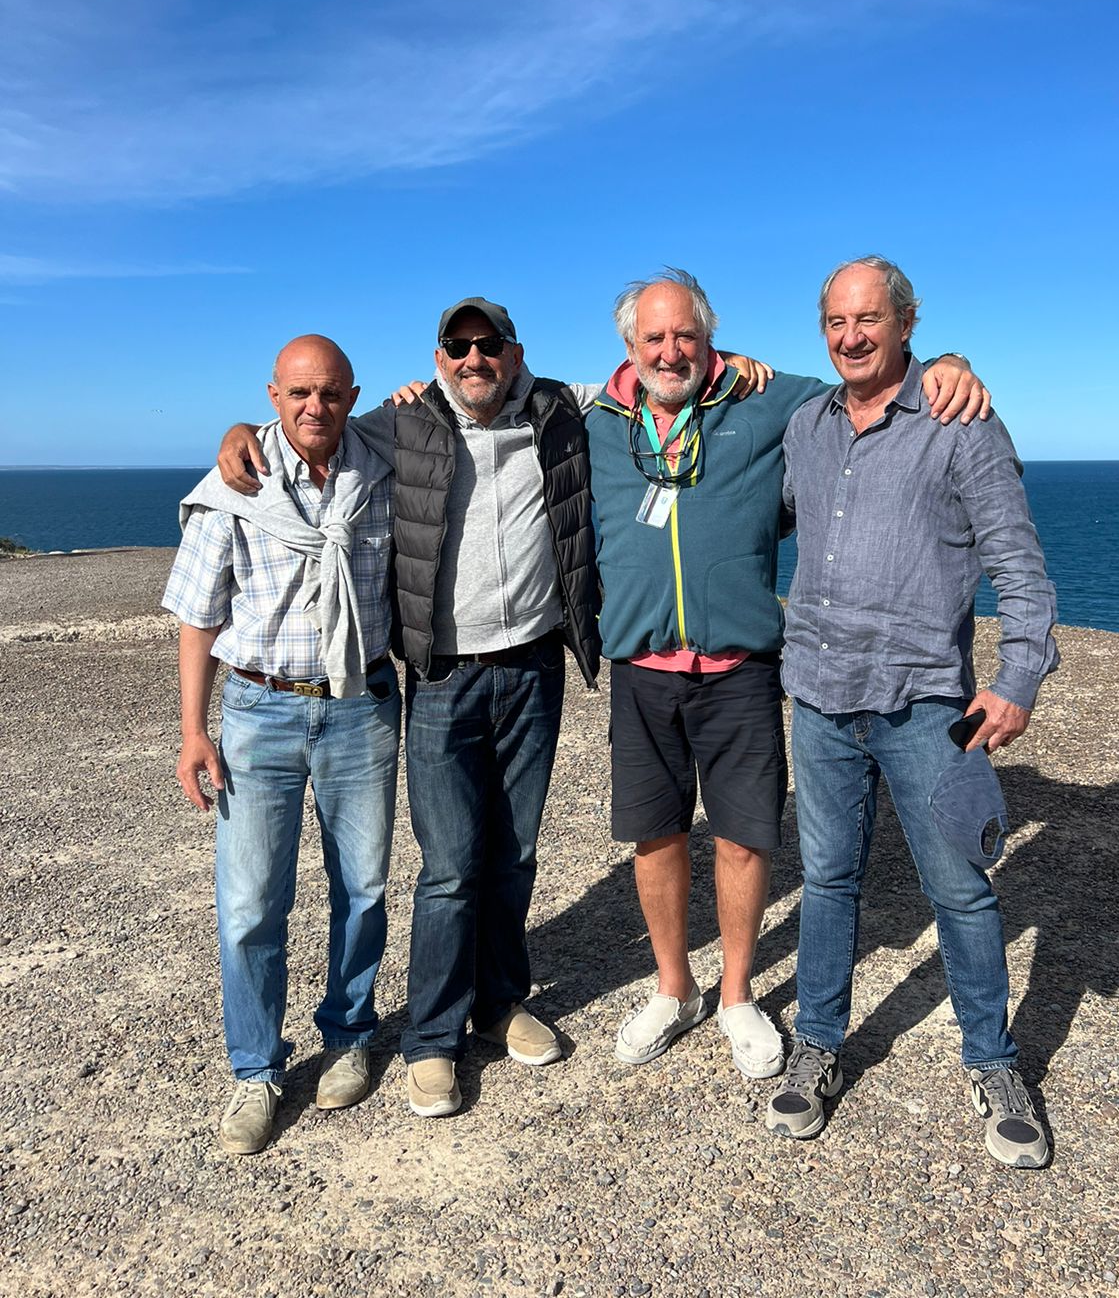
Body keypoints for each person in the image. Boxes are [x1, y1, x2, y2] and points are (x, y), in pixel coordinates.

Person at [585, 269, 990, 1081]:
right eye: (654, 338)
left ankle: (736, 995)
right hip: (640, 664)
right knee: (655, 834)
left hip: (740, 664)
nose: (671, 351)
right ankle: (674, 989)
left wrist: (950, 359)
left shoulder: (767, 398)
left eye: (687, 335)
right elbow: (487, 391)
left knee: (744, 834)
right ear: (630, 346)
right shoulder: (589, 418)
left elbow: (873, 374)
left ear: (711, 337)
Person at [219, 299, 602, 1119]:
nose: (473, 358)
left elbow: (656, 380)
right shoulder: (404, 423)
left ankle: (499, 1004)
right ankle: (432, 1039)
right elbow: (311, 421)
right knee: (450, 866)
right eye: (456, 346)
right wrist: (241, 429)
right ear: (438, 355)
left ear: (513, 351)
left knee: (516, 853)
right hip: (440, 677)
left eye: (486, 344)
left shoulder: (562, 409)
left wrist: (744, 371)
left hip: (533, 668)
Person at [765, 256, 1058, 1167]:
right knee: (829, 879)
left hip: (927, 701)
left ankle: (994, 1061)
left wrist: (1016, 677)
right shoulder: (805, 426)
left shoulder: (960, 421)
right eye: (836, 322)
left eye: (868, 320)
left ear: (905, 322)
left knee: (962, 888)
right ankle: (818, 1045)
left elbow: (1019, 563)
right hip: (816, 694)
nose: (852, 336)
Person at [164, 335, 400, 1155]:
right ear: (272, 396)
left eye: (330, 393)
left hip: (363, 702)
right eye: (299, 393)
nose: (314, 408)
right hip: (259, 709)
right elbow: (198, 615)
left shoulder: (382, 461)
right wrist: (194, 729)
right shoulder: (239, 481)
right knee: (250, 906)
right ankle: (255, 1071)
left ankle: (349, 1034)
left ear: (352, 395)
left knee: (364, 886)